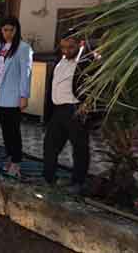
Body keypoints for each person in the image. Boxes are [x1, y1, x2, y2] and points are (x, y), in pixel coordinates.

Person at [43, 28, 100, 194]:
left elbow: (95, 87)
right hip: (58, 111)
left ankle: (78, 183)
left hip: (75, 110)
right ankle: (48, 178)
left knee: (80, 148)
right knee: (50, 145)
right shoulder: (60, 60)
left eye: (71, 47)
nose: (66, 51)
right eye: (63, 47)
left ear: (80, 44)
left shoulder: (87, 61)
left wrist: (87, 108)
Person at [0, 16, 33, 178]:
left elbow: (26, 73)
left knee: (13, 131)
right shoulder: (0, 47)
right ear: (1, 31)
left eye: (11, 30)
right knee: (5, 129)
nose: (8, 33)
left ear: (16, 30)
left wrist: (24, 95)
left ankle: (16, 162)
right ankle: (10, 159)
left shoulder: (24, 48)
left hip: (13, 96)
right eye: (5, 30)